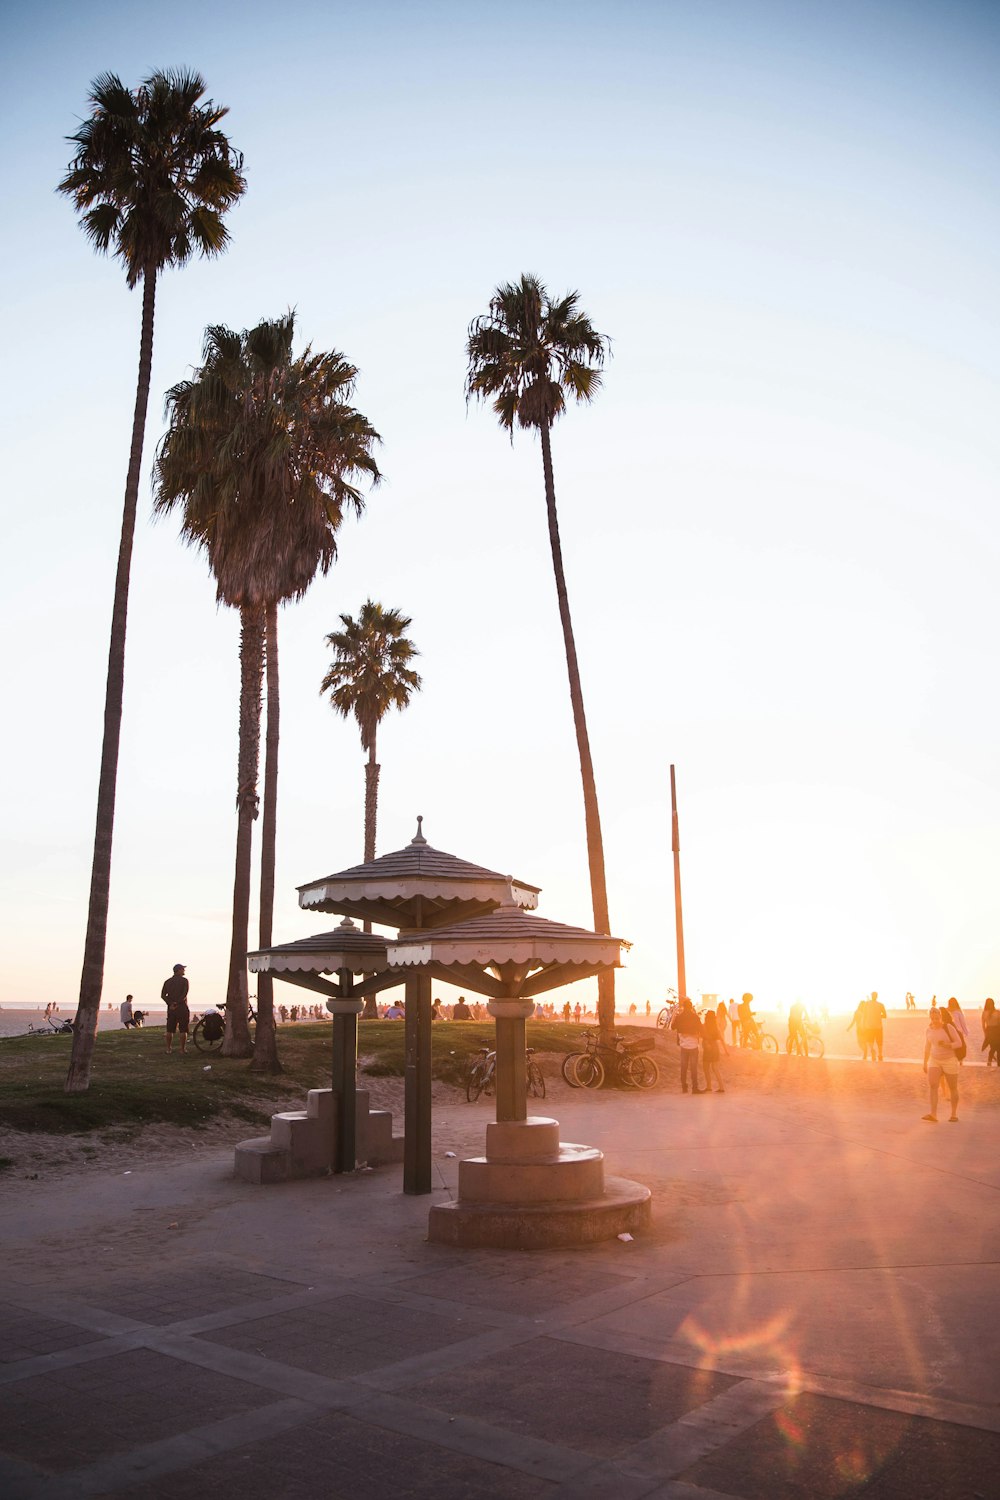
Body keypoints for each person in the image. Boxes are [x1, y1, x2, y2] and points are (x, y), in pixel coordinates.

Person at [922, 1005, 961, 1122]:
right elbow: (927, 1047)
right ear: (930, 1018)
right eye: (932, 1018)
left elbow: (959, 1043)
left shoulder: (948, 1027)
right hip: (934, 1060)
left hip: (950, 1060)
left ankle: (953, 1114)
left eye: (936, 1017)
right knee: (933, 1086)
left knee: (953, 1087)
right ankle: (933, 1114)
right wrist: (925, 1062)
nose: (935, 1020)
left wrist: (947, 1045)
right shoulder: (928, 1030)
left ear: (940, 1016)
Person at [670, 997, 706, 1094]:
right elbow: (702, 1030)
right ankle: (695, 1088)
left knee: (683, 1066)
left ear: (683, 1007)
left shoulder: (679, 1017)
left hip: (683, 1045)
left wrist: (674, 1017)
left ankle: (684, 1087)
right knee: (693, 1067)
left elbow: (672, 1027)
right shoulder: (695, 1017)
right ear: (691, 1007)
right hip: (693, 1045)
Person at [160, 964, 190, 1054]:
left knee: (170, 1029)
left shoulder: (167, 981)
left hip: (171, 1008)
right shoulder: (184, 981)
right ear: (179, 970)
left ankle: (169, 1049)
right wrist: (177, 1002)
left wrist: (170, 1003)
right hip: (182, 1007)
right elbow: (184, 994)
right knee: (183, 1029)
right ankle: (182, 1049)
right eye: (183, 969)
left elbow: (163, 995)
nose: (184, 971)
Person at [702, 1007, 728, 1092]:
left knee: (706, 1068)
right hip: (715, 1048)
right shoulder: (716, 1027)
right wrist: (726, 1051)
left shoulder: (704, 1026)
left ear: (707, 1017)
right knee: (715, 1068)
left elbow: (702, 1036)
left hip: (707, 1048)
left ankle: (709, 1086)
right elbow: (722, 1040)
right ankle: (721, 1087)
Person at [863, 992, 887, 1061]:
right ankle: (880, 1055)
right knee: (879, 1041)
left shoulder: (866, 1004)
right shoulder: (880, 1005)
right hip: (878, 1026)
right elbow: (885, 1015)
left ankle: (872, 1050)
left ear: (871, 996)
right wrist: (879, 1016)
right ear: (877, 996)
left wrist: (864, 1024)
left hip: (869, 1026)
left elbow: (864, 1015)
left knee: (870, 1040)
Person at [946, 997, 968, 1061]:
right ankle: (958, 1059)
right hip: (954, 1030)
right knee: (957, 1045)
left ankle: (960, 1059)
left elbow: (961, 1022)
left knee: (959, 1045)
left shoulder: (957, 1011)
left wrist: (964, 1031)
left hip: (957, 1030)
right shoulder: (951, 1010)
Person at [981, 997, 1000, 1067]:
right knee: (998, 1048)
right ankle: (998, 1063)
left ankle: (990, 1060)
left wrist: (985, 1034)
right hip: (997, 1031)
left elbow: (983, 1025)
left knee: (993, 1047)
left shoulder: (984, 1013)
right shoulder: (997, 1012)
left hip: (989, 1031)